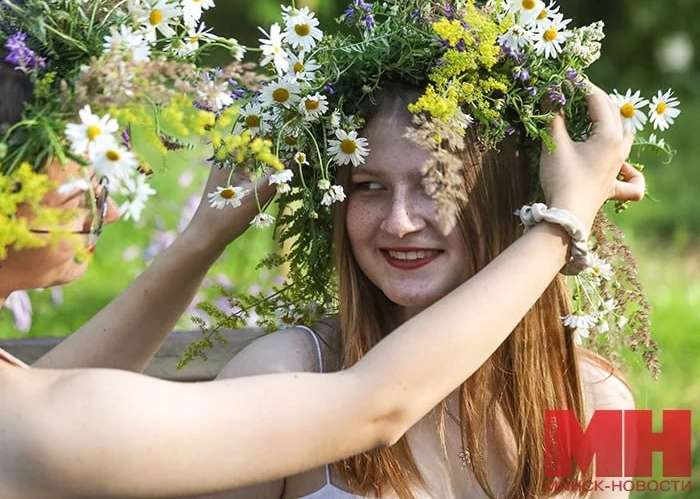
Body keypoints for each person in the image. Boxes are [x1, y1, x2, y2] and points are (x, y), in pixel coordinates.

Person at [0, 33, 643, 498]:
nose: (109, 188)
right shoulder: (283, 367)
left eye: (437, 185)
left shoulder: (611, 404)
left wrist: (202, 240)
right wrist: (562, 223)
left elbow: (34, 405)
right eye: (69, 174)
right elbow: (374, 406)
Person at [200, 82, 642, 499]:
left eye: (435, 184)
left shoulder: (601, 401)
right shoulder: (281, 378)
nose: (398, 222)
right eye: (369, 186)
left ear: (512, 199)